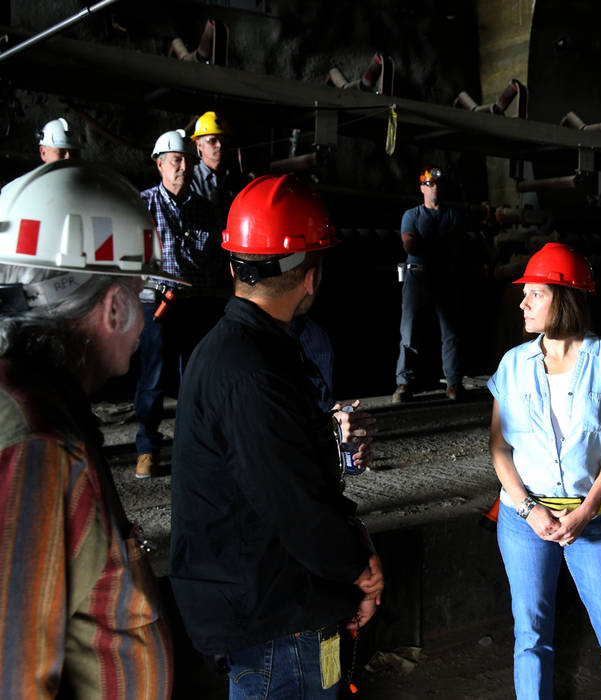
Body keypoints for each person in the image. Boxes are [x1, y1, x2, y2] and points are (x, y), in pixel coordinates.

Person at [169, 174, 382, 699]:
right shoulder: (253, 372)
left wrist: (352, 538)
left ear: (234, 263)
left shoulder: (242, 351)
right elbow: (295, 504)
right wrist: (359, 567)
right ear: (311, 277)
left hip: (275, 605)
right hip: (276, 625)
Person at [0, 161, 174, 696]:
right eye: (142, 295)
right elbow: (14, 679)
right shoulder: (41, 450)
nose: (146, 321)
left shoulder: (25, 404)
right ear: (114, 307)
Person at [488, 242, 601, 699]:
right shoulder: (513, 366)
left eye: (534, 294)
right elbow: (499, 448)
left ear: (564, 298)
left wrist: (588, 509)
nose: (523, 303)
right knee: (531, 639)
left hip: (591, 522)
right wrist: (529, 509)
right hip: (525, 522)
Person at [134, 128, 225, 478]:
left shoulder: (204, 210)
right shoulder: (143, 204)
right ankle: (148, 447)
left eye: (186, 160)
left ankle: (192, 446)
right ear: (160, 165)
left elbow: (214, 258)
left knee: (195, 378)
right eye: (175, 160)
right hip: (155, 304)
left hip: (194, 304)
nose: (182, 167)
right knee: (153, 378)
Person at [393, 167, 464, 402]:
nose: (435, 188)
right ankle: (404, 384)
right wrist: (439, 247)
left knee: (450, 333)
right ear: (422, 187)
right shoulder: (411, 215)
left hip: (443, 277)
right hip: (418, 277)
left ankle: (454, 384)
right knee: (410, 331)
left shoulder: (452, 215)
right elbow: (409, 246)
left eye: (437, 184)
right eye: (430, 184)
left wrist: (429, 246)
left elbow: (454, 248)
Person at [189, 110, 248, 216]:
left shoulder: (236, 178)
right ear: (199, 145)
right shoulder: (190, 180)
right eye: (212, 140)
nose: (219, 145)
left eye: (223, 139)